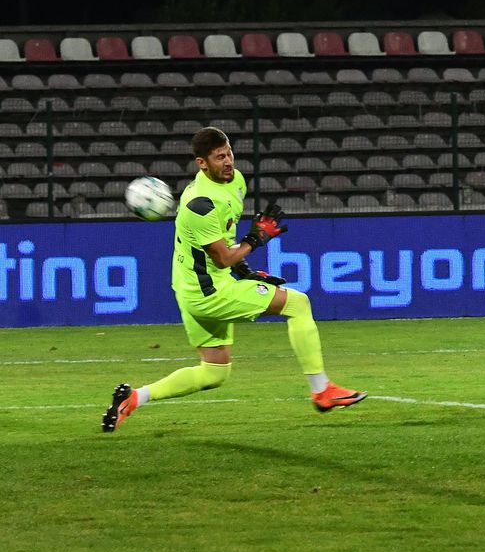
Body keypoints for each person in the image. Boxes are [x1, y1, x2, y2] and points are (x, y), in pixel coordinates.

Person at [101, 127, 364, 432]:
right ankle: (322, 391)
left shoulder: (236, 182)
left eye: (229, 153)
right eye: (219, 157)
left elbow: (224, 244)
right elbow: (223, 257)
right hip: (209, 293)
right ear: (202, 163)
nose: (228, 161)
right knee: (298, 304)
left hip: (193, 289)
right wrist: (258, 238)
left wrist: (246, 271)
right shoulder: (200, 204)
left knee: (214, 372)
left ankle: (133, 398)